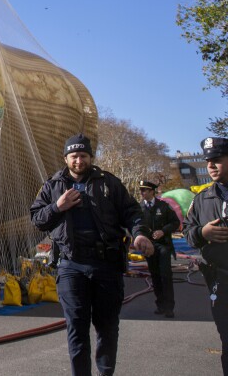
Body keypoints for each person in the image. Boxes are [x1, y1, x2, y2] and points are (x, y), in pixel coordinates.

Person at [30, 134, 154, 376]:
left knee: (107, 327)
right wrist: (58, 206)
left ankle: (105, 372)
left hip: (105, 264)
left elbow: (132, 212)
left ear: (90, 157)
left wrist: (139, 233)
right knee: (76, 327)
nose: (78, 161)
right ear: (66, 158)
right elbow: (37, 219)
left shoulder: (109, 183)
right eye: (73, 156)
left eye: (83, 156)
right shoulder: (52, 186)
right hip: (70, 265)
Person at [184, 136, 228, 375]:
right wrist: (203, 231)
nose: (211, 166)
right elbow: (188, 233)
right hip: (220, 279)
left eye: (217, 160)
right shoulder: (202, 199)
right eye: (208, 161)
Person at [138, 180, 179, 317]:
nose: (142, 193)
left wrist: (163, 231)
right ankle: (160, 305)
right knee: (155, 276)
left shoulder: (164, 206)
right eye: (141, 190)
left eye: (145, 190)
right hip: (149, 246)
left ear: (152, 191)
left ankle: (169, 307)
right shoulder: (139, 208)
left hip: (164, 245)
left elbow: (175, 222)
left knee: (165, 276)